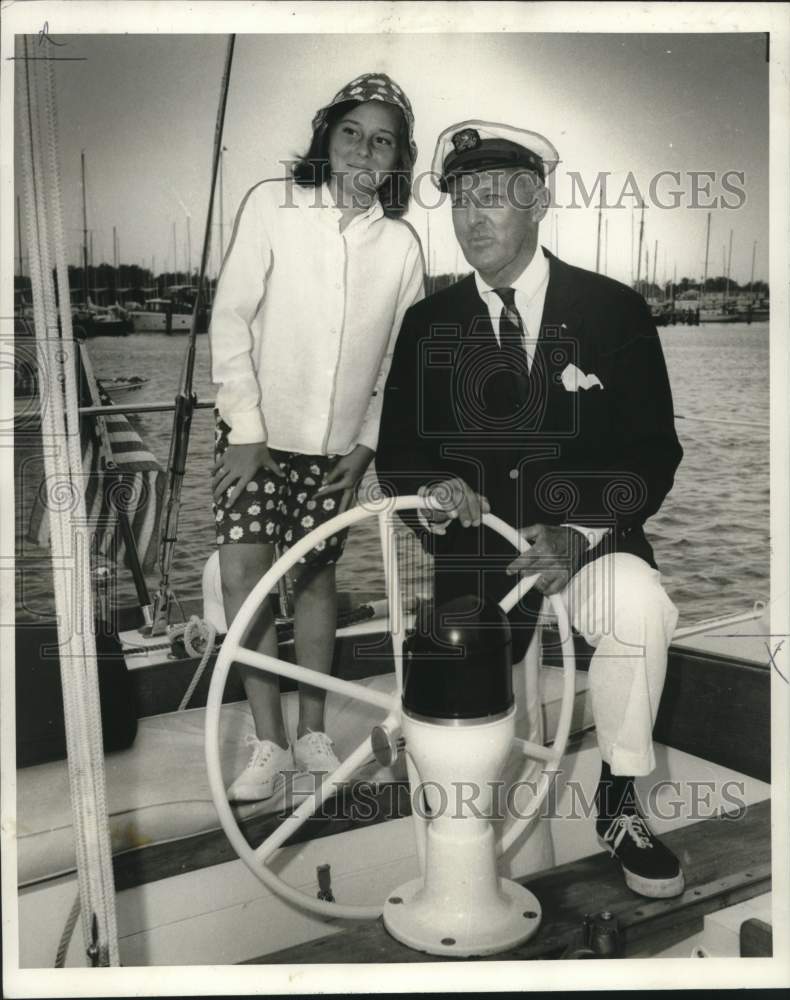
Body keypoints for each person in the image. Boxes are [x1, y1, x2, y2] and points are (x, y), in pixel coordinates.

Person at [376, 120, 685, 898]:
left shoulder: (613, 311)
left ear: (538, 202)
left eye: (493, 198)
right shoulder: (427, 325)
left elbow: (652, 453)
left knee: (640, 608)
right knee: (466, 726)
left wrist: (578, 535)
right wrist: (435, 499)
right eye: (459, 200)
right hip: (475, 562)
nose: (472, 216)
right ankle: (465, 857)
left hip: (586, 544)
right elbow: (400, 455)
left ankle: (618, 802)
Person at [210, 73, 424, 802]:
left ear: (398, 160)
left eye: (383, 139)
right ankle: (267, 742)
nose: (365, 149)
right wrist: (244, 428)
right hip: (255, 437)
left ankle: (311, 733)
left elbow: (399, 363)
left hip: (336, 451)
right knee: (244, 574)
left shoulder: (400, 246)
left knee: (314, 580)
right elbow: (231, 317)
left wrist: (365, 446)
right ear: (325, 139)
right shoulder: (272, 205)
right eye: (351, 132)